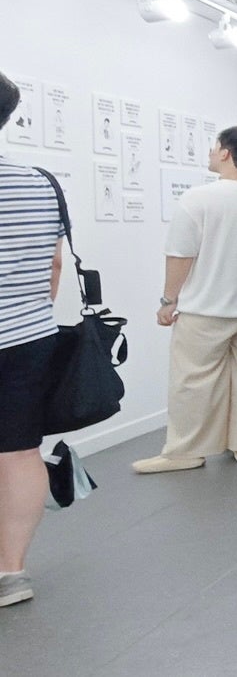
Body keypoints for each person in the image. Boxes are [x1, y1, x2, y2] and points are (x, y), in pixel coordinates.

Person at [132, 127, 237, 474]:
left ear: (226, 153)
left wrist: (168, 300)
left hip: (206, 308)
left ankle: (185, 450)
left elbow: (180, 254)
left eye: (214, 147)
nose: (211, 152)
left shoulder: (198, 198)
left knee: (193, 380)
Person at [0, 71, 65, 609]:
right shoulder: (41, 182)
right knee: (21, 452)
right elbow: (54, 266)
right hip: (29, 335)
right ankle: (12, 572)